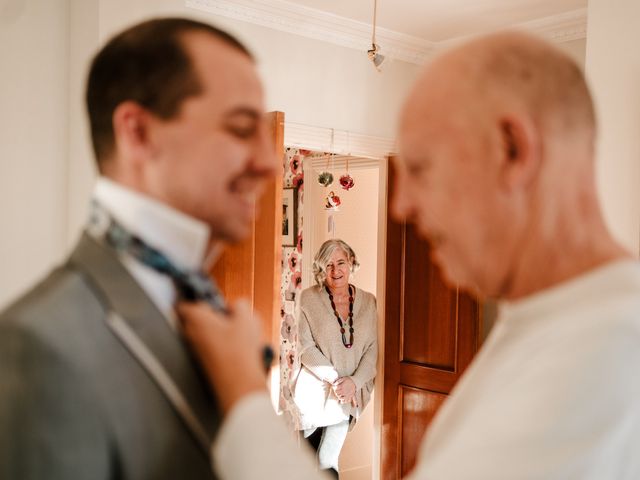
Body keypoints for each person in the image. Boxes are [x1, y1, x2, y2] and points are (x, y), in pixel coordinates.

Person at [179, 30, 640, 479]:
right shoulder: (545, 325)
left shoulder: (602, 356)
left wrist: (242, 395)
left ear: (512, 150)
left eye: (422, 167)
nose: (404, 205)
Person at [0, 17, 277, 480]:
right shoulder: (40, 346)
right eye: (241, 128)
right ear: (138, 133)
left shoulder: (204, 302)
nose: (269, 162)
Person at [293, 239, 377, 477]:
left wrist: (354, 383)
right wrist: (336, 380)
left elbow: (372, 349)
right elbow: (304, 347)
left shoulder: (369, 302)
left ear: (351, 262)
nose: (335, 270)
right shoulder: (307, 299)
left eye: (341, 262)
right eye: (328, 264)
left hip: (347, 398)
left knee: (327, 461)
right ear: (321, 268)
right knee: (307, 465)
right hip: (313, 394)